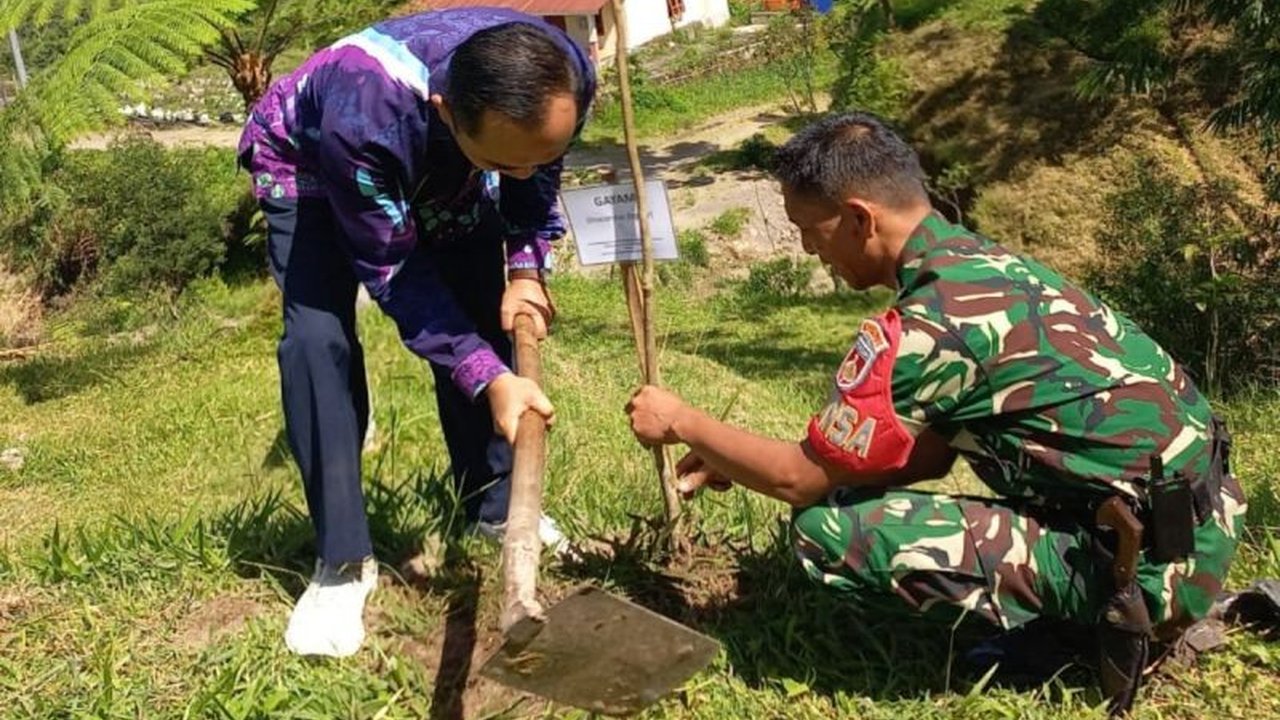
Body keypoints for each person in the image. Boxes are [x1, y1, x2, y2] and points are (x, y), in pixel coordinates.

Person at [625, 112, 1247, 714]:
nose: (809, 248)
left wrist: (681, 421)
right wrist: (748, 458)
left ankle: (1079, 631)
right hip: (1200, 527)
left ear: (860, 219)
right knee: (843, 491)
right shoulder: (979, 265)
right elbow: (925, 456)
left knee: (825, 529)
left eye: (808, 229)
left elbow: (798, 480)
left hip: (1148, 575)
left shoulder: (931, 326)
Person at [238, 8, 595, 657]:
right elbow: (395, 272)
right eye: (503, 163)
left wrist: (525, 266)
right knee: (318, 339)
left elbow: (536, 171)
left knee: (478, 302)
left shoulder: (564, 73)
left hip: (447, 157)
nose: (521, 173)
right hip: (309, 160)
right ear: (446, 111)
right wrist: (488, 377)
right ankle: (341, 561)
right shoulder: (364, 121)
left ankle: (492, 508)